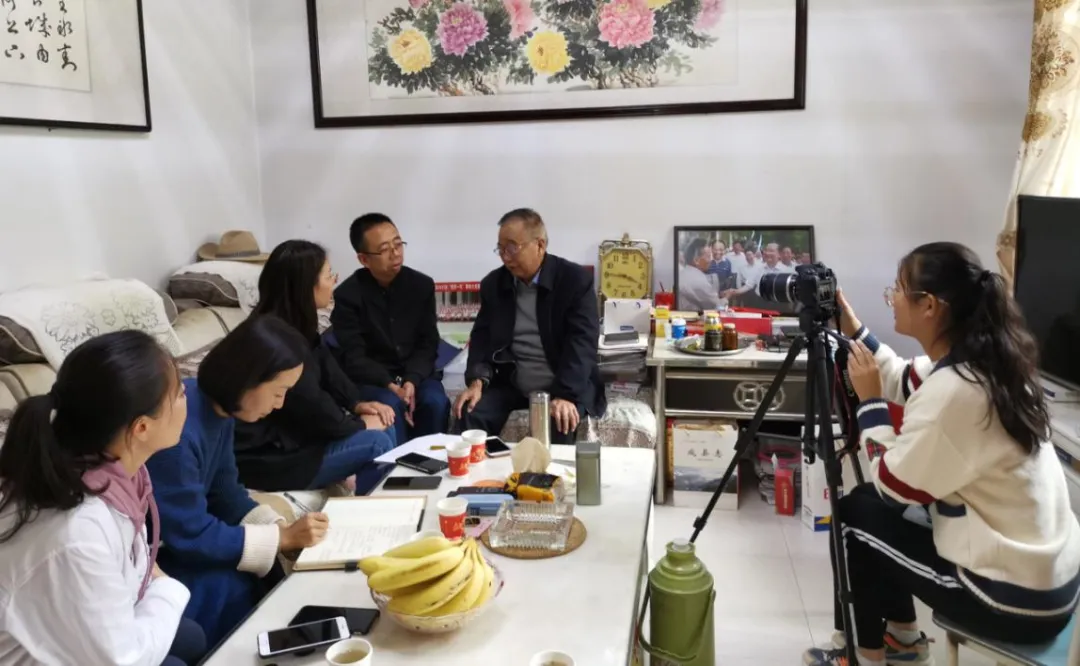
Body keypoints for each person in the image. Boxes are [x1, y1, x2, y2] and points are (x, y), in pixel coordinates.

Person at [804, 242, 1080, 666]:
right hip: (1047, 581)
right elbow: (899, 376)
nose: (892, 299)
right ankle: (903, 642)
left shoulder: (956, 391)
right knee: (865, 504)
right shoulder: (990, 362)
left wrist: (870, 403)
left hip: (1011, 602)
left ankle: (863, 658)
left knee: (852, 521)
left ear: (929, 305)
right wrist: (852, 326)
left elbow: (893, 486)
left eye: (897, 290)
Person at [0, 331, 207, 666]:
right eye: (180, 393)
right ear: (141, 428)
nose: (188, 397)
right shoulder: (77, 530)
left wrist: (156, 581)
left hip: (83, 621)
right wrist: (168, 587)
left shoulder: (112, 468)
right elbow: (123, 659)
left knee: (191, 636)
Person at [147, 315, 332, 646]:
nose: (280, 404)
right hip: (155, 558)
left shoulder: (219, 412)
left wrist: (282, 529)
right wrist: (280, 538)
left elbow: (227, 494)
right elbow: (189, 535)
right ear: (247, 378)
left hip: (179, 543)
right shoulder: (177, 433)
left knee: (270, 571)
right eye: (278, 392)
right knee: (231, 585)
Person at [235, 240, 396, 492]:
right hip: (273, 458)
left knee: (384, 419)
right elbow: (310, 403)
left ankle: (392, 500)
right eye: (329, 275)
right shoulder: (273, 339)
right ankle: (380, 507)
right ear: (305, 286)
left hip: (298, 438)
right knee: (377, 442)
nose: (334, 282)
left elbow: (328, 368)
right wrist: (360, 424)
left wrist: (357, 403)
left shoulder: (297, 323)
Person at [454, 208, 606, 443]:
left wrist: (566, 395)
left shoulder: (574, 281)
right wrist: (476, 381)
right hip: (513, 384)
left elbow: (582, 344)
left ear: (540, 245)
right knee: (470, 412)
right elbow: (482, 339)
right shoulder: (494, 285)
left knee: (560, 419)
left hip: (562, 383)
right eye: (501, 249)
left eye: (512, 248)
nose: (505, 257)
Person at [331, 213, 450, 444]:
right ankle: (397, 464)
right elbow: (354, 356)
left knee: (434, 403)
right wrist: (390, 384)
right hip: (374, 379)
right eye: (385, 249)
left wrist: (412, 380)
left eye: (398, 244)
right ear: (364, 259)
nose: (395, 253)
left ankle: (433, 461)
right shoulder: (348, 295)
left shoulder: (421, 285)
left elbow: (428, 343)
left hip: (417, 374)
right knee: (391, 406)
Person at [678, 238, 725, 312]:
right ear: (696, 260)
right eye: (709, 256)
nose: (711, 260)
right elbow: (717, 306)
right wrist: (727, 298)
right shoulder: (699, 281)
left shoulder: (683, 273)